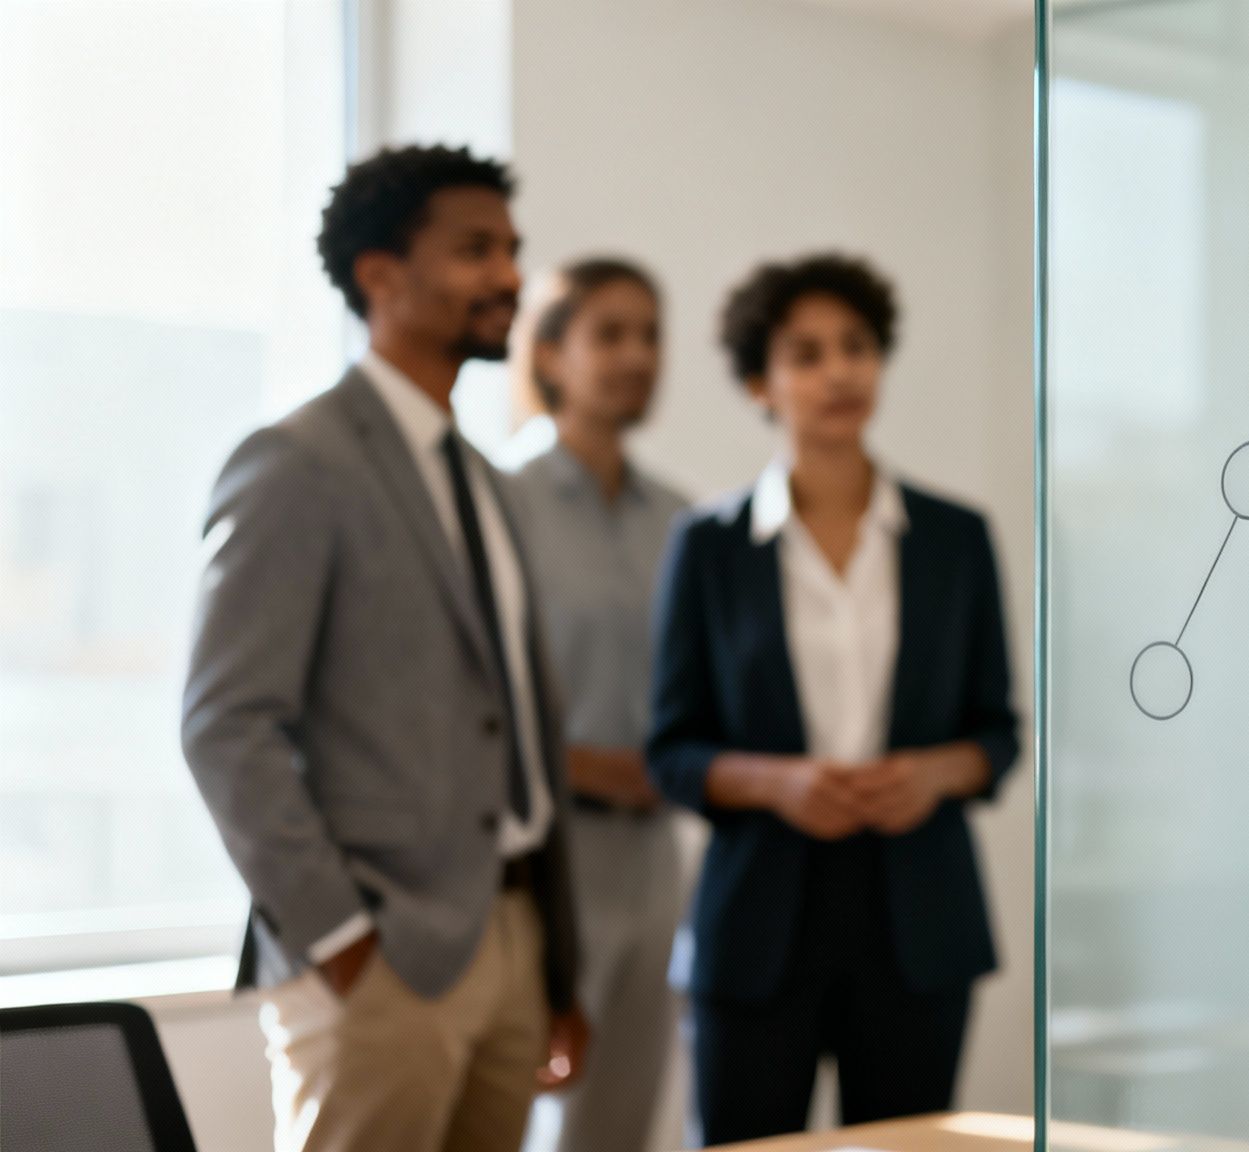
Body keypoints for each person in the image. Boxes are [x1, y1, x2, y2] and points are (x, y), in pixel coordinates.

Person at [180, 144, 587, 1152]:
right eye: (474, 250)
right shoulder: (296, 462)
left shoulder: (485, 482)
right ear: (380, 274)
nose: (507, 277)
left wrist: (552, 965)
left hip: (513, 935)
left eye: (511, 251)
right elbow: (227, 725)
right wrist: (342, 940)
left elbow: (519, 729)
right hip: (381, 955)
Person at [646, 253, 1020, 1145]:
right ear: (759, 384)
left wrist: (937, 772)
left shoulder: (956, 539)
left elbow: (999, 731)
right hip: (757, 921)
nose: (839, 372)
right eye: (806, 354)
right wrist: (778, 784)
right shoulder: (707, 547)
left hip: (918, 915)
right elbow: (671, 750)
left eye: (856, 347)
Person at [505, 258, 691, 1152]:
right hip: (545, 861)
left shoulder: (681, 521)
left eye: (650, 334)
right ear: (549, 353)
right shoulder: (503, 502)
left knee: (621, 1127)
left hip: (657, 864)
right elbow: (473, 703)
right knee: (527, 1123)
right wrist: (588, 764)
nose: (637, 355)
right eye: (609, 333)